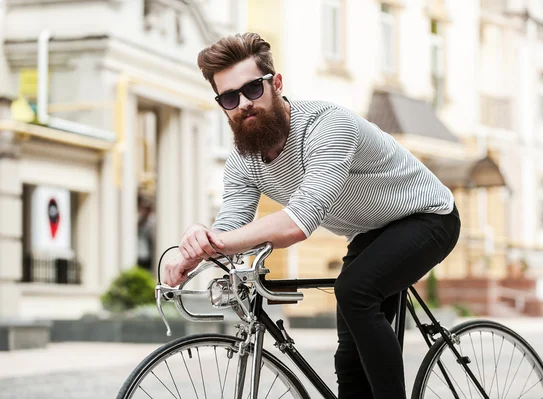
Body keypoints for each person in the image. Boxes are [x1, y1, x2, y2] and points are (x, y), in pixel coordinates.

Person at [163, 32, 461, 399]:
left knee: (354, 290)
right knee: (350, 362)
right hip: (369, 232)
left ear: (276, 83)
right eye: (229, 97)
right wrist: (191, 251)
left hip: (429, 216)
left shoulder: (327, 125)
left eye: (253, 90)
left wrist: (212, 244)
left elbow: (298, 221)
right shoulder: (244, 158)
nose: (243, 104)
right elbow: (230, 226)